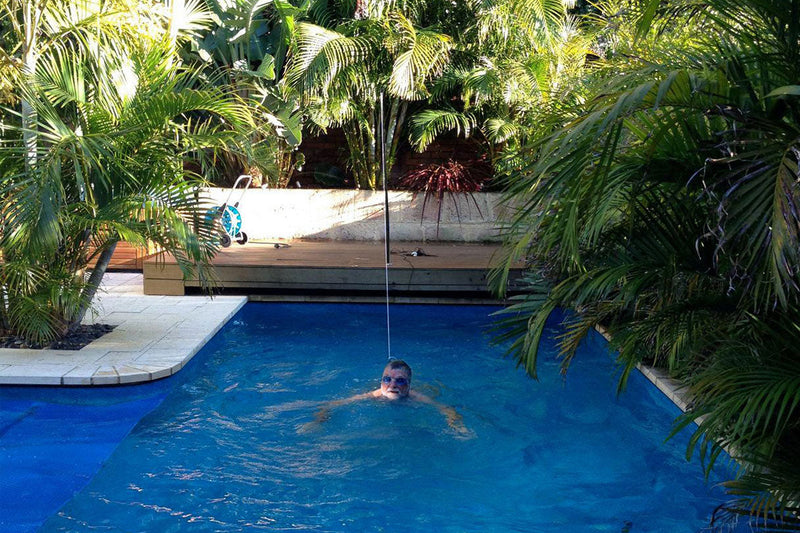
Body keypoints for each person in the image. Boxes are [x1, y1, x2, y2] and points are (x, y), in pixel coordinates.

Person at [305, 359, 469, 435]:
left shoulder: (416, 397)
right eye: (387, 379)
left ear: (409, 386)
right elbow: (330, 405)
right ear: (381, 382)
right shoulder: (373, 395)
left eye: (400, 381)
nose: (392, 385)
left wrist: (457, 426)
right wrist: (318, 421)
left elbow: (447, 409)